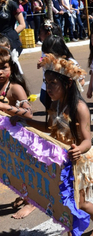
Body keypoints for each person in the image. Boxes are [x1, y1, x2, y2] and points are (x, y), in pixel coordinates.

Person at [11, 54, 93, 235]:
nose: (48, 87)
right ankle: (71, 229)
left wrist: (79, 149)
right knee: (63, 200)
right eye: (46, 82)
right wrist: (25, 122)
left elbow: (87, 139)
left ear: (68, 84)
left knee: (80, 202)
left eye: (53, 82)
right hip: (61, 159)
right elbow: (48, 127)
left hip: (79, 161)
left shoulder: (79, 108)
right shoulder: (54, 104)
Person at [0, 46, 34, 219]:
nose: (0, 71)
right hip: (3, 139)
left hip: (18, 138)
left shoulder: (14, 88)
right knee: (10, 170)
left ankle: (30, 202)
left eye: (3, 67)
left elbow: (28, 113)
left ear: (11, 67)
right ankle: (23, 195)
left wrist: (8, 108)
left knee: (21, 170)